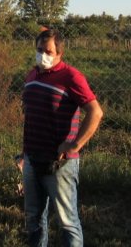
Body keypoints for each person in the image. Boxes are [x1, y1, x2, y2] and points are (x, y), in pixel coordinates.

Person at [21, 27, 103, 247]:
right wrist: (24, 154)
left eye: (48, 51)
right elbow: (31, 114)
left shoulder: (71, 77)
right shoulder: (32, 74)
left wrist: (75, 145)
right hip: (32, 158)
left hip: (60, 163)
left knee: (68, 222)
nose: (43, 55)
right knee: (34, 220)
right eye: (39, 50)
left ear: (59, 53)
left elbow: (95, 112)